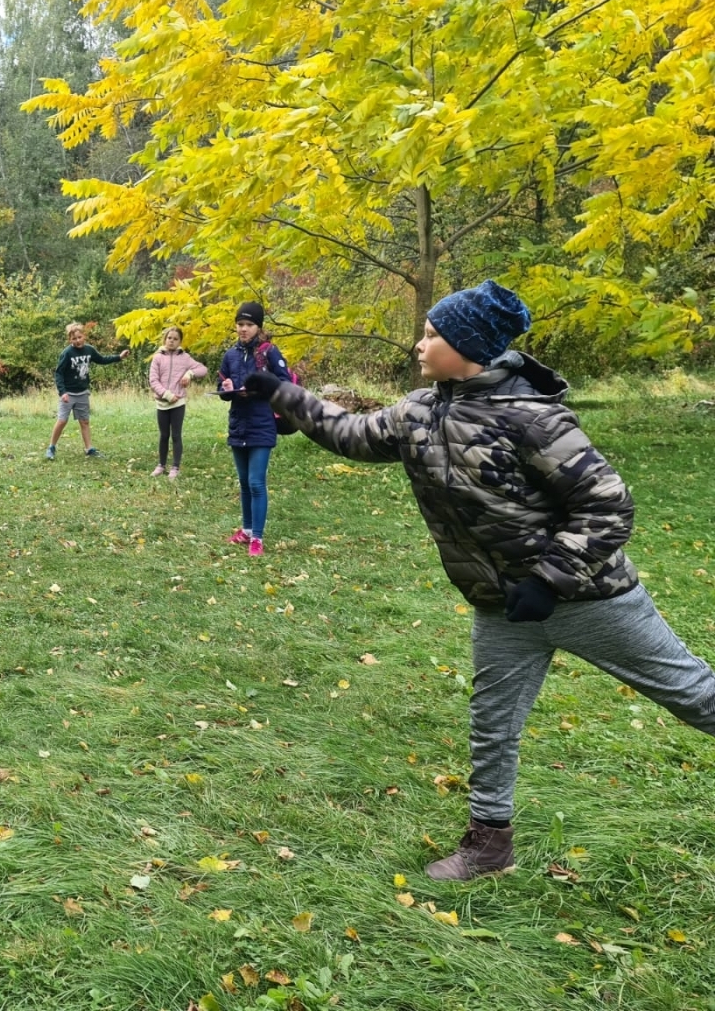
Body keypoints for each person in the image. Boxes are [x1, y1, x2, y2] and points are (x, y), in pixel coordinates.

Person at [235, 279, 715, 881]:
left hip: (591, 599)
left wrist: (549, 580)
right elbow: (353, 435)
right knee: (492, 726)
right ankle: (490, 847)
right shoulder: (419, 410)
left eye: (433, 335)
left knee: (694, 695)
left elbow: (608, 506)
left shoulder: (532, 418)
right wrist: (284, 393)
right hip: (502, 606)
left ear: (470, 348)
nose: (420, 343)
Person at [217, 301, 294, 555]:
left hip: (262, 424)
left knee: (256, 482)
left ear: (258, 326)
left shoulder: (269, 352)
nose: (244, 329)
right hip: (238, 424)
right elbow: (223, 391)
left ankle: (257, 539)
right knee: (243, 482)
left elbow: (284, 384)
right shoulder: (230, 355)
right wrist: (227, 390)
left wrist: (260, 387)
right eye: (240, 324)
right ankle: (247, 530)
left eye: (249, 324)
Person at [46, 322, 129, 459]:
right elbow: (59, 373)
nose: (77, 340)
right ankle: (51, 447)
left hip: (82, 393)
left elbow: (102, 359)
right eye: (74, 339)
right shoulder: (66, 353)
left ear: (84, 336)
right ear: (70, 340)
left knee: (84, 421)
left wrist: (119, 357)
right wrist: (63, 392)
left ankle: (89, 449)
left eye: (79, 337)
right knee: (62, 420)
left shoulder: (89, 350)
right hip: (68, 393)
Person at [148, 325, 208, 479]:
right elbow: (153, 380)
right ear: (165, 339)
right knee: (163, 435)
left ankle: (175, 467)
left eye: (175, 339)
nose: (172, 341)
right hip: (163, 403)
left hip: (178, 404)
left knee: (176, 435)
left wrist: (190, 373)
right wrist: (167, 395)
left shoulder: (185, 358)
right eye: (169, 338)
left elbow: (203, 369)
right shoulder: (158, 357)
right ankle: (161, 465)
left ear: (180, 341)